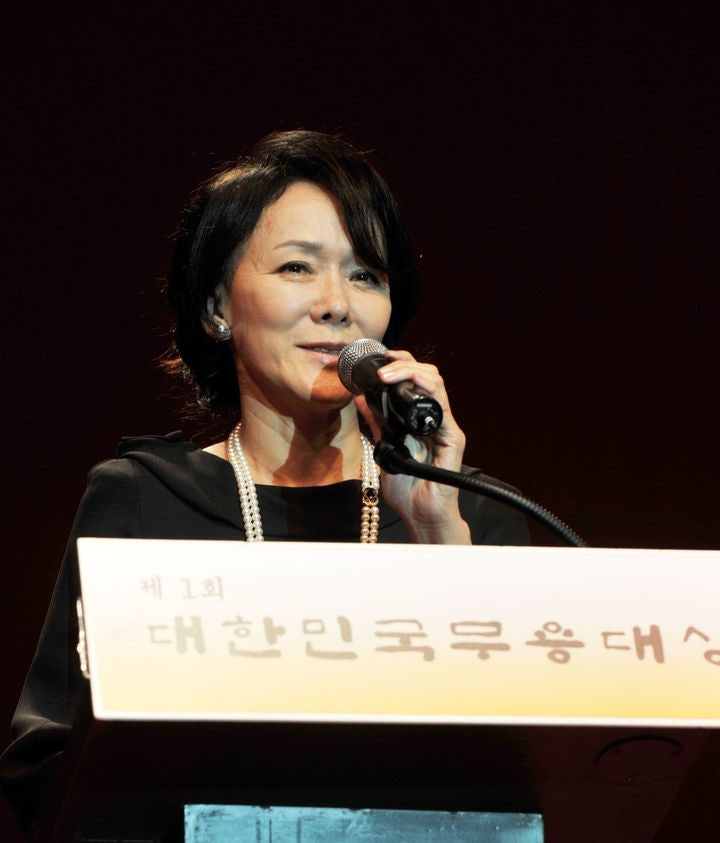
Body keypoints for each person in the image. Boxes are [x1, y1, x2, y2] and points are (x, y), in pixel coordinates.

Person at [0, 129, 529, 835]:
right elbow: (46, 767)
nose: (337, 304)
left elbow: (541, 773)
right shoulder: (145, 501)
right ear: (218, 307)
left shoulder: (469, 516)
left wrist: (438, 534)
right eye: (296, 267)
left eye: (366, 275)